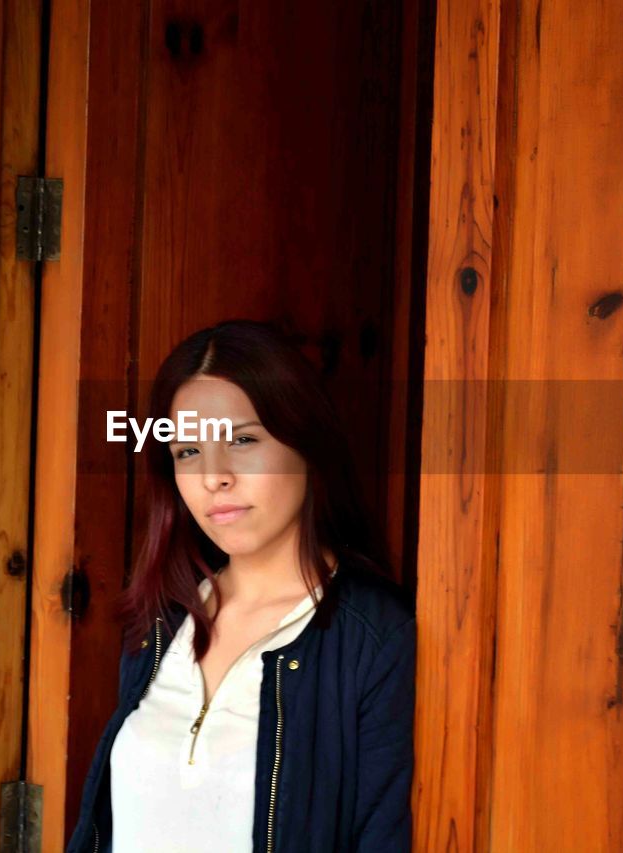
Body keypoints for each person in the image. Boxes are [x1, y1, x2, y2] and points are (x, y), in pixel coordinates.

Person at [66, 319, 416, 852]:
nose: (215, 476)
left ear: (306, 442)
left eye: (243, 440)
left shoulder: (373, 636)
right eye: (188, 452)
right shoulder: (161, 622)